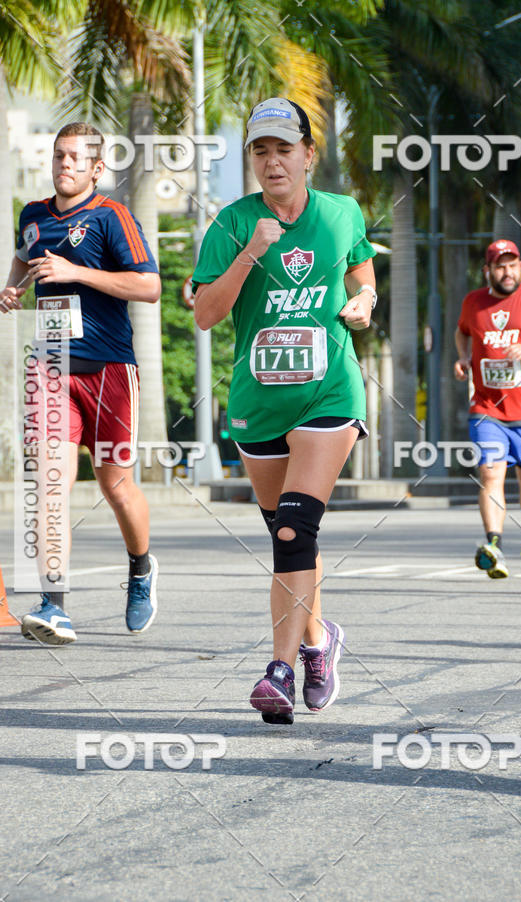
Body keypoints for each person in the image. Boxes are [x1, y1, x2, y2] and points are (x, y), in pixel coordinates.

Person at [192, 98, 376, 724]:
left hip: (329, 391)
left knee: (296, 527)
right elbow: (205, 314)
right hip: (259, 400)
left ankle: (279, 669)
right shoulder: (232, 223)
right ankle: (320, 642)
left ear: (307, 155)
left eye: (284, 149)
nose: (272, 162)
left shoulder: (339, 212)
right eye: (260, 151)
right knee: (289, 538)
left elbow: (360, 268)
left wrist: (367, 299)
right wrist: (251, 252)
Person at [1, 122, 161, 644]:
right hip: (49, 366)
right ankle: (54, 604)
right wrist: (12, 290)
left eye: (76, 158)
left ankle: (140, 570)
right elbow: (24, 261)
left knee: (116, 485)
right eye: (58, 156)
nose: (65, 165)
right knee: (49, 482)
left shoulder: (112, 217)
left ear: (96, 168)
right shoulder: (32, 215)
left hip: (110, 370)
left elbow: (149, 286)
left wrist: (77, 273)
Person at [454, 239, 521, 579]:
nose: (507, 271)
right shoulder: (474, 302)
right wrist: (462, 357)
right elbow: (462, 333)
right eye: (500, 266)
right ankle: (494, 546)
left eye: (513, 265)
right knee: (490, 472)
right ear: (488, 270)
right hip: (487, 407)